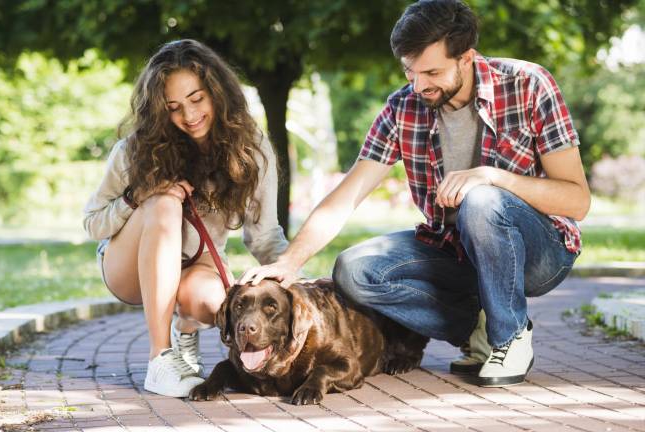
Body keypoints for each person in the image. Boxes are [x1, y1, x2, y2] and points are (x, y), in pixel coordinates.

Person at [240, 0, 590, 387]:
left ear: (467, 57)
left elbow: (576, 201)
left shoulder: (528, 84)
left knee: (482, 199)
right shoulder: (404, 107)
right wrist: (290, 261)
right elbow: (348, 194)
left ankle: (509, 336)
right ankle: (477, 324)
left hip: (540, 253)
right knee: (355, 270)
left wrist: (494, 177)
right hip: (453, 250)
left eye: (432, 72)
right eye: (410, 71)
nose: (419, 85)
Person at [83, 39, 288, 397]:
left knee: (219, 307)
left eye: (197, 99)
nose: (189, 116)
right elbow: (93, 223)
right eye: (174, 108)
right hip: (128, 267)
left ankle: (186, 328)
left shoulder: (250, 147)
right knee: (164, 201)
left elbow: (265, 235)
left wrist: (297, 281)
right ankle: (160, 359)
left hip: (198, 263)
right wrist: (136, 197)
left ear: (218, 93)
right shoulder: (135, 150)